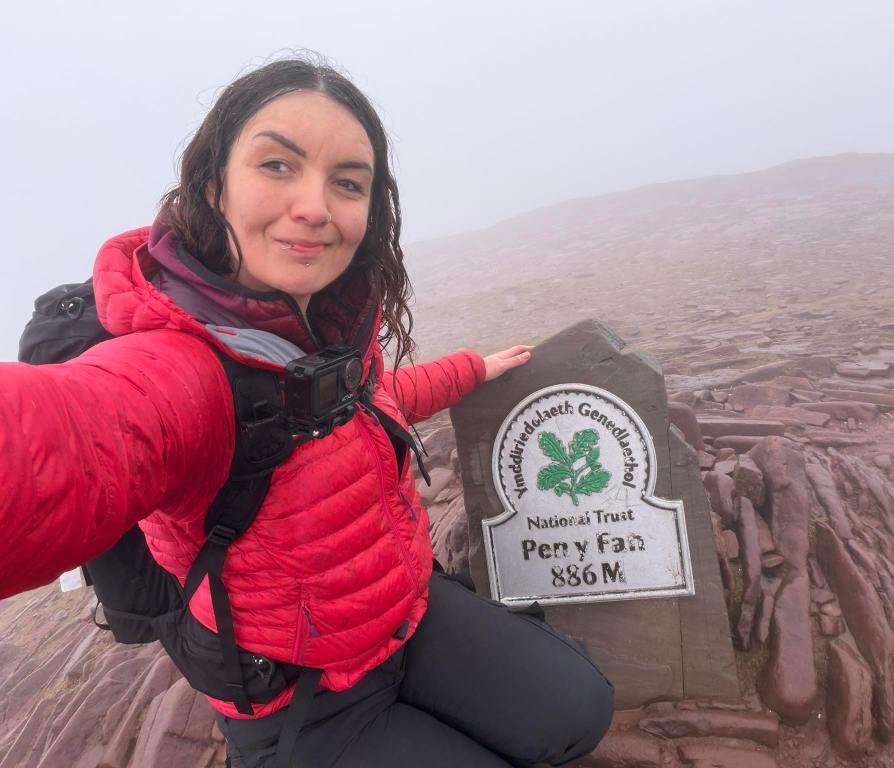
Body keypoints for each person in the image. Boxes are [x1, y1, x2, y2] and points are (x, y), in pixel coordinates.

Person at [0, 57, 614, 766]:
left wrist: (474, 369)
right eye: (278, 165)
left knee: (578, 711)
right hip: (299, 697)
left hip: (400, 617)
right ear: (213, 185)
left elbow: (371, 406)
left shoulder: (328, 324)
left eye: (347, 182)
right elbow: (67, 442)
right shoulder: (179, 370)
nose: (317, 206)